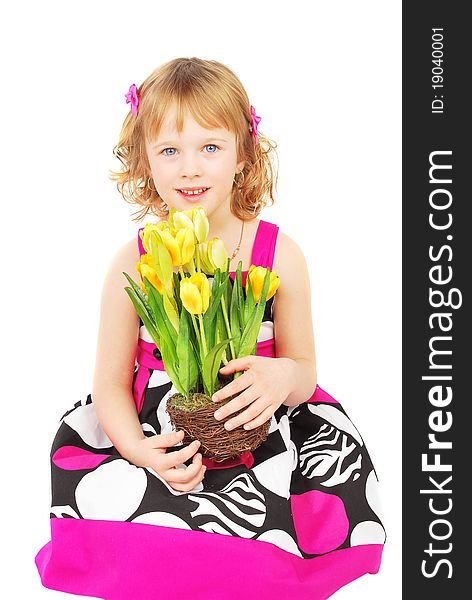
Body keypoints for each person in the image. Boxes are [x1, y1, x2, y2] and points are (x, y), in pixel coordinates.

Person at [34, 57, 386, 599]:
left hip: (258, 427)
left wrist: (280, 376)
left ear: (243, 152)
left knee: (266, 546)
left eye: (210, 147)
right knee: (139, 534)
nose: (189, 169)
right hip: (163, 435)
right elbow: (107, 383)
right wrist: (141, 452)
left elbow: (305, 368)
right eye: (169, 151)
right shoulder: (135, 262)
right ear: (144, 160)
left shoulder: (279, 255)